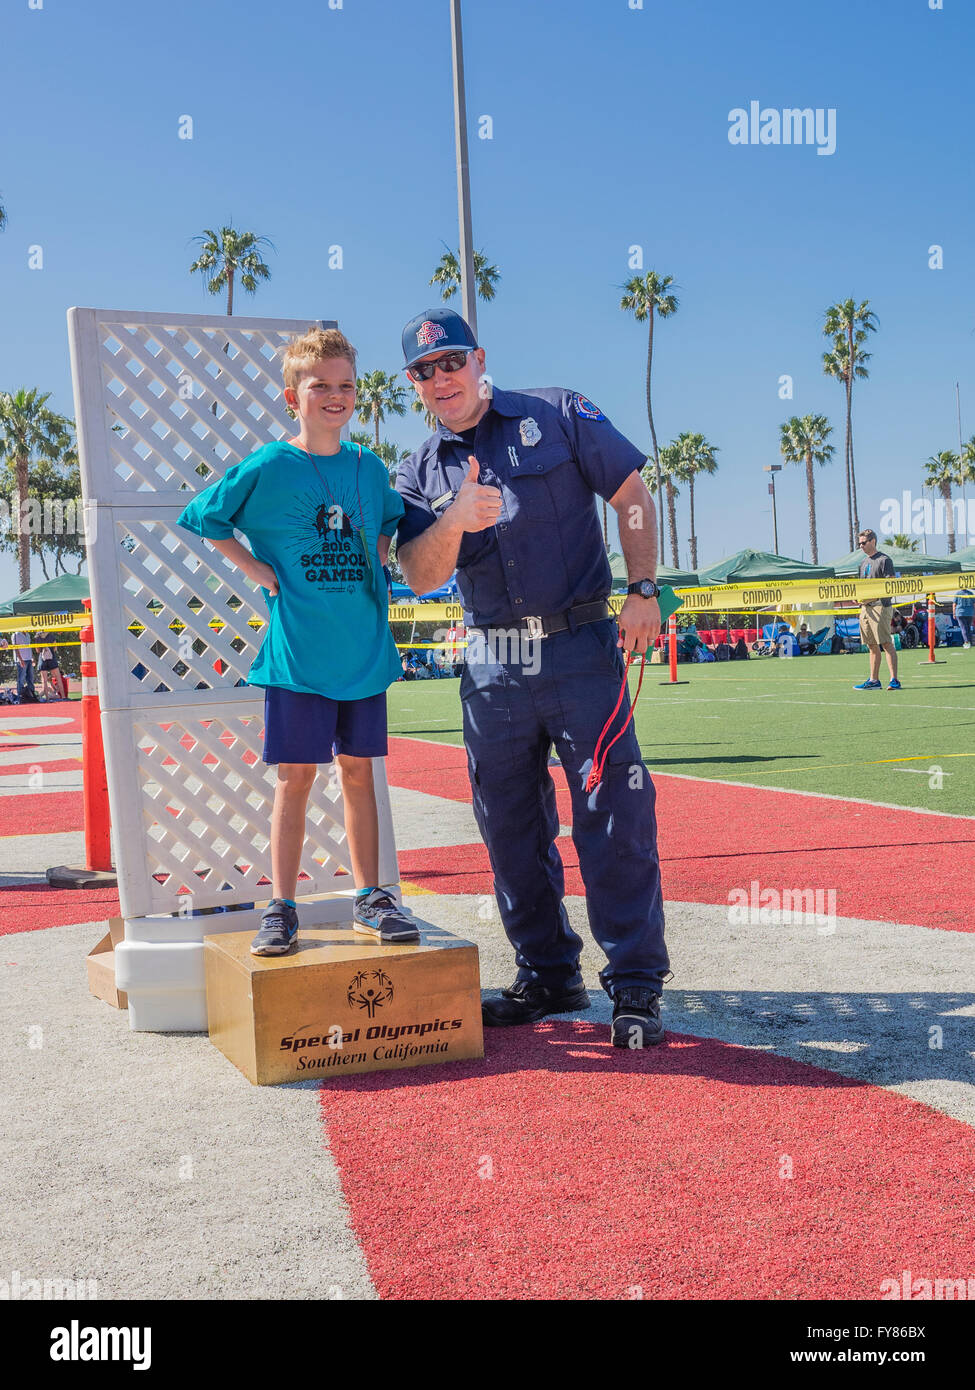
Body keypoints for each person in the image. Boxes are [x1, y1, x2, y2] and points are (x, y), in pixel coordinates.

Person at [394, 307, 670, 1048]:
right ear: (413, 385)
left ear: (478, 360)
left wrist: (643, 592)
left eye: (451, 361)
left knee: (612, 813)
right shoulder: (419, 470)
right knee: (508, 824)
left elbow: (634, 498)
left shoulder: (554, 412)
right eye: (424, 370)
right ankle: (547, 973)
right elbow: (420, 576)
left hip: (578, 642)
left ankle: (636, 980)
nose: (440, 377)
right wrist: (454, 518)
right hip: (492, 659)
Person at [177, 326, 418, 952]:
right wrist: (254, 568)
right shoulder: (270, 465)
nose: (334, 397)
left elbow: (389, 518)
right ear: (294, 396)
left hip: (363, 655)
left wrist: (383, 550)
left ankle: (373, 897)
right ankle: (279, 906)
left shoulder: (368, 467)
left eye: (345, 386)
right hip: (297, 659)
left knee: (361, 776)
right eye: (320, 387)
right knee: (296, 781)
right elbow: (203, 515)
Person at [854, 529, 901, 690]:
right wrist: (858, 598)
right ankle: (874, 680)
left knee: (886, 643)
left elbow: (890, 585)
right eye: (859, 543)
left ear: (872, 541)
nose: (861, 546)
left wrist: (870, 598)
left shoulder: (884, 560)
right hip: (865, 608)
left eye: (863, 543)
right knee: (871, 645)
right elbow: (862, 586)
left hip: (881, 606)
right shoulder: (862, 563)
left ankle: (894, 680)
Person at [37, 632, 66, 700]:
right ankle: (63, 697)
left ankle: (47, 699)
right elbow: (55, 648)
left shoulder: (38, 637)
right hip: (51, 657)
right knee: (58, 678)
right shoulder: (51, 635)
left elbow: (37, 650)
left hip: (42, 658)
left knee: (44, 680)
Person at [12, 631, 37, 701]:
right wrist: (20, 660)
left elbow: (29, 647)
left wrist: (32, 658)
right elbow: (15, 648)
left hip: (29, 659)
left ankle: (32, 695)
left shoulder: (28, 635)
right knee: (21, 679)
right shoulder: (16, 634)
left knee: (30, 678)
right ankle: (20, 696)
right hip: (22, 660)